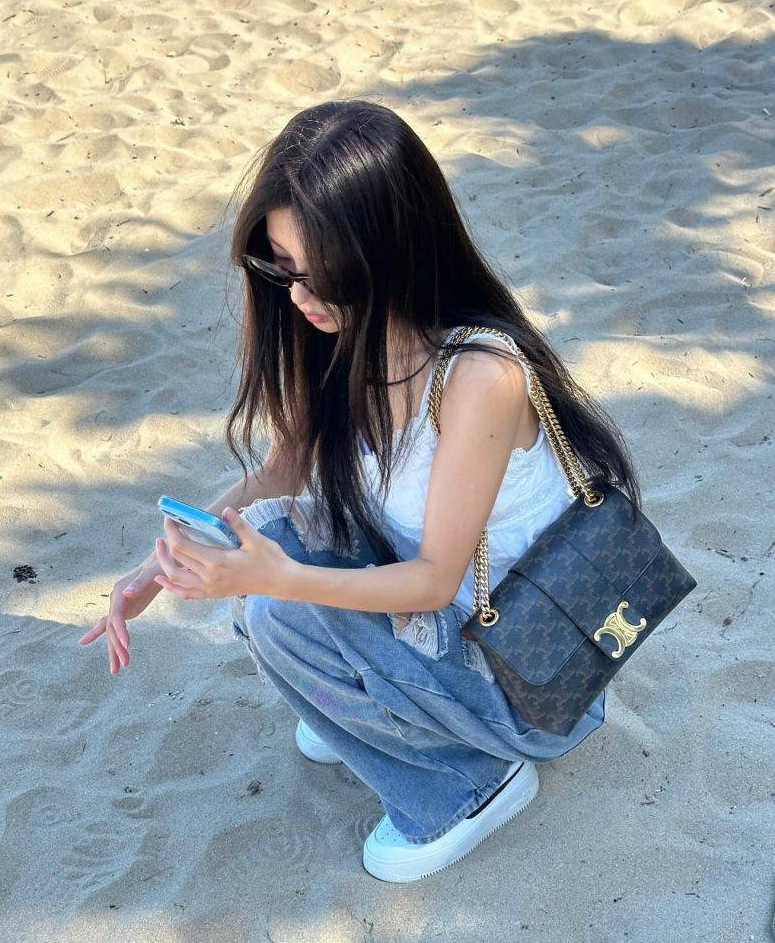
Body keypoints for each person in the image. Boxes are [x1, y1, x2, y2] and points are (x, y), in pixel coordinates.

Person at [79, 99, 639, 883]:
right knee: (269, 553)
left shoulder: (481, 375)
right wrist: (160, 561)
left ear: (393, 249)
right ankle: (371, 699)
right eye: (280, 265)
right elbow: (281, 470)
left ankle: (470, 785)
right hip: (438, 622)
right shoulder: (341, 341)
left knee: (275, 604)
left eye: (322, 272)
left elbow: (438, 577)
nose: (299, 294)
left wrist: (273, 580)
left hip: (530, 674)